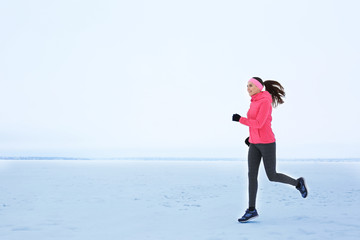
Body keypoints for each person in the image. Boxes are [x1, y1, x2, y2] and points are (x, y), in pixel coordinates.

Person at [232, 77, 308, 223]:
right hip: (254, 143)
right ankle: (251, 209)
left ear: (259, 87)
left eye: (251, 86)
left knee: (272, 175)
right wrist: (251, 137)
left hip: (267, 143)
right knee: (251, 175)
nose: (248, 88)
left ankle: (298, 183)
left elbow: (260, 123)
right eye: (247, 86)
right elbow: (256, 124)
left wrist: (240, 119)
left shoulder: (265, 101)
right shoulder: (254, 101)